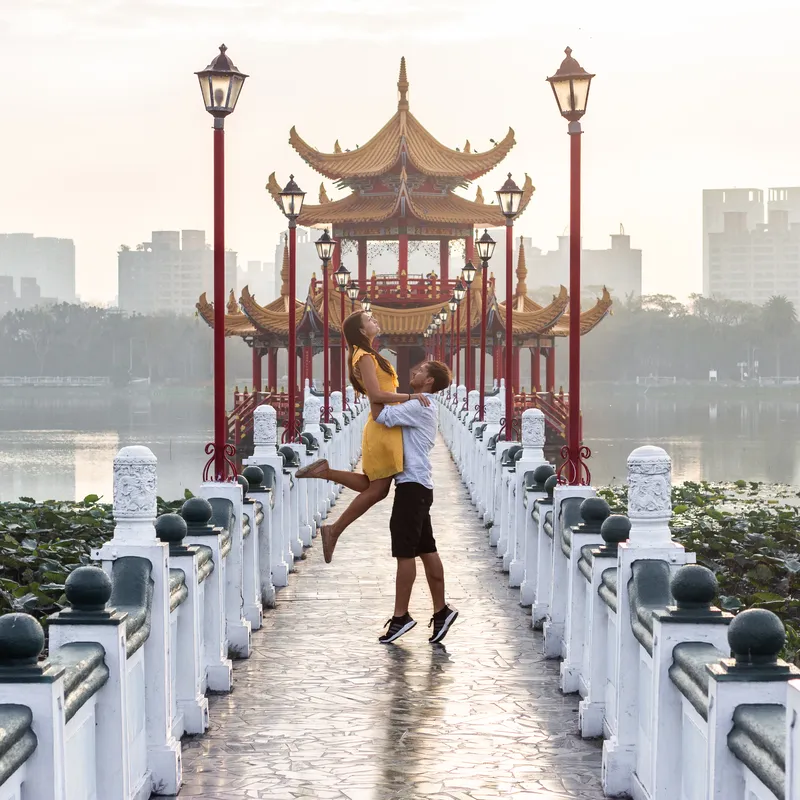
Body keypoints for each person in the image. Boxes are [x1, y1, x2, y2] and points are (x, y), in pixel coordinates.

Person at [296, 310, 430, 563]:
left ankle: (327, 476)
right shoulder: (365, 357)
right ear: (361, 330)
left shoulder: (368, 355)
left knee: (374, 486)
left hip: (387, 426)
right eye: (370, 319)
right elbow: (376, 396)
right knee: (378, 490)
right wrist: (411, 397)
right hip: (383, 428)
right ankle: (333, 529)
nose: (375, 321)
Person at [373, 360, 458, 645]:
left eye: (420, 370)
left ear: (429, 382)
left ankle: (401, 616)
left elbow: (379, 413)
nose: (414, 372)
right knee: (426, 548)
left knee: (405, 553)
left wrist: (372, 383)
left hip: (412, 488)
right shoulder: (422, 403)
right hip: (420, 485)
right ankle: (442, 610)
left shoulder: (419, 404)